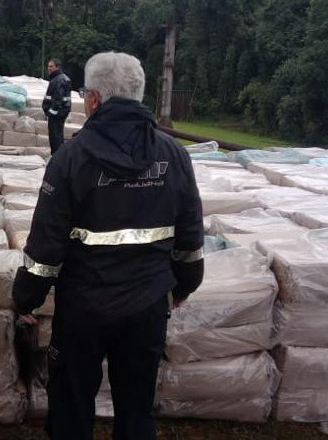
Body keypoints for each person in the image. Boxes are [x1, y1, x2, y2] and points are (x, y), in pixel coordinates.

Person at [11, 52, 204, 440]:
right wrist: (183, 285)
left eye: (85, 95)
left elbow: (46, 246)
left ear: (95, 99)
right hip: (148, 307)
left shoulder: (71, 158)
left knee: (72, 405)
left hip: (84, 309)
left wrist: (25, 298)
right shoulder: (174, 155)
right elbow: (190, 237)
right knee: (136, 408)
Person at [43, 58, 73, 154]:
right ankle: (59, 156)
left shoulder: (58, 80)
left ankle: (56, 157)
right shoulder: (60, 78)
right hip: (60, 111)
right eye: (48, 66)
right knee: (58, 135)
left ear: (57, 67)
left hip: (57, 112)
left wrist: (51, 112)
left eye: (51, 66)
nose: (49, 68)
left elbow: (58, 99)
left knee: (55, 136)